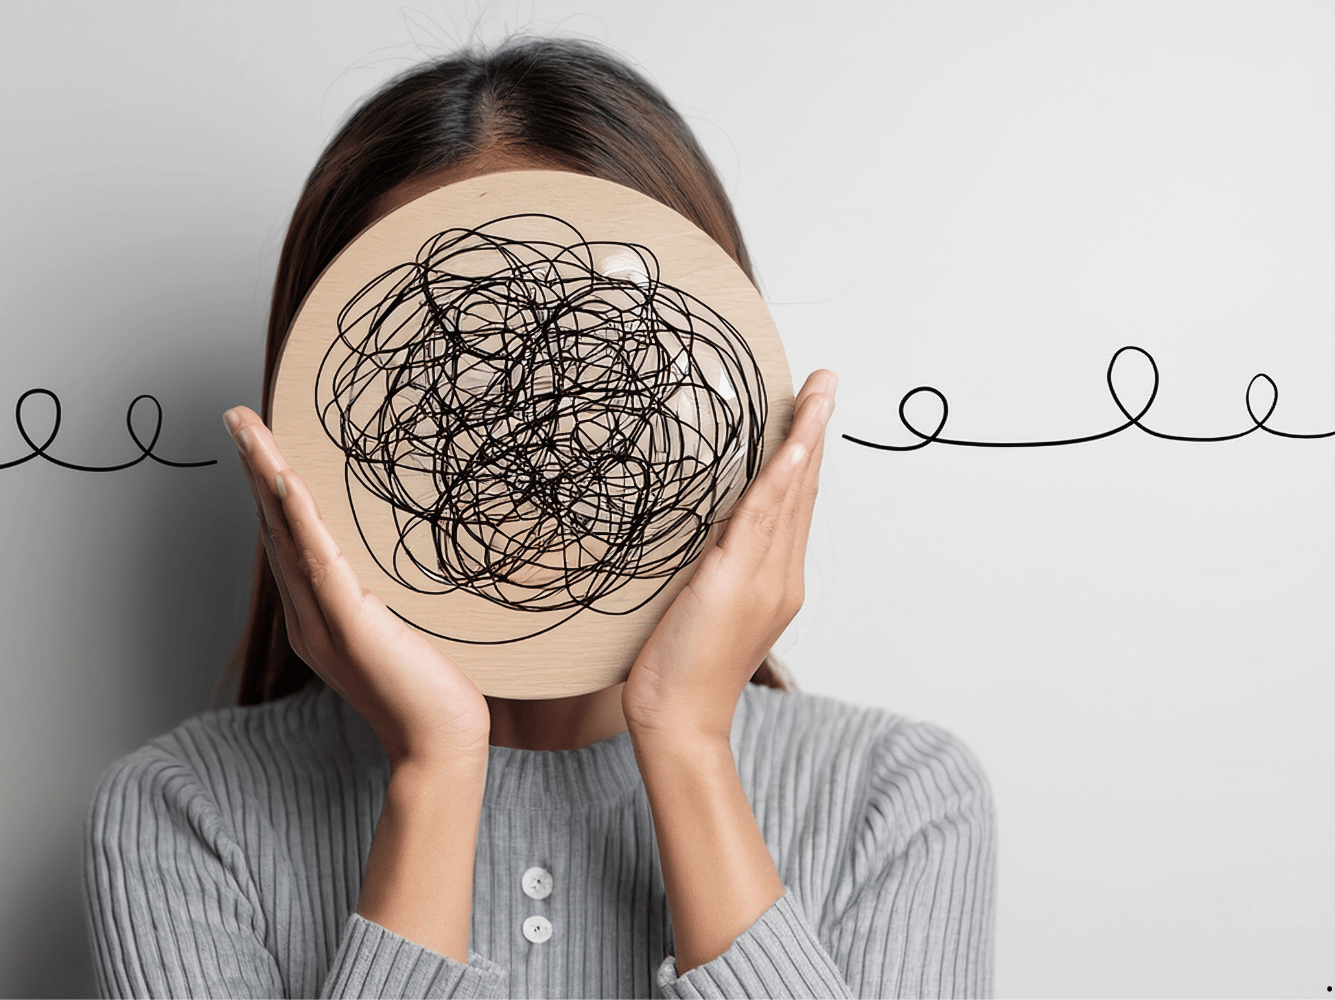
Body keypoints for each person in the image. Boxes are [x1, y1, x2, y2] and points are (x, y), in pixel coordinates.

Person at [84, 36, 994, 1000]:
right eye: (455, 353)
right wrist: (434, 770)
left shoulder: (897, 799)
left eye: (600, 336)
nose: (530, 431)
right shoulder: (183, 816)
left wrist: (688, 743)